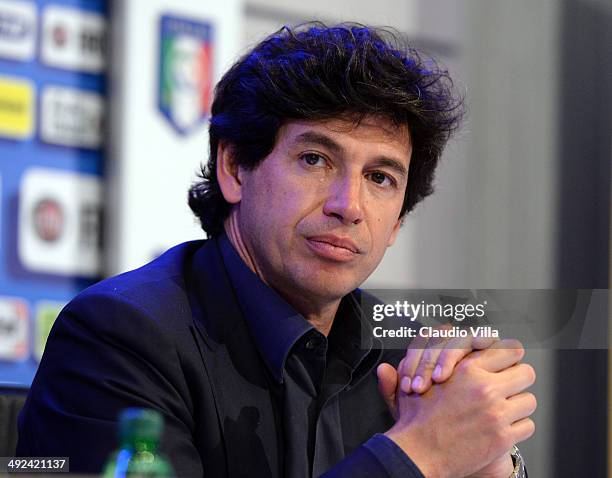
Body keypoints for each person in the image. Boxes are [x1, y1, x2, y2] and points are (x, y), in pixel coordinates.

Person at [17, 23, 535, 477]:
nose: (348, 206)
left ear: (398, 220)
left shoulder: (402, 354)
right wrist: (418, 456)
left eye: (380, 177)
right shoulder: (119, 336)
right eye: (315, 160)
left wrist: (485, 463)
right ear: (235, 168)